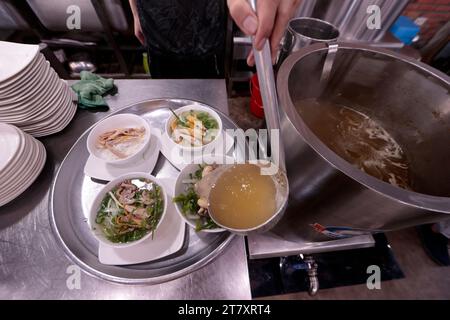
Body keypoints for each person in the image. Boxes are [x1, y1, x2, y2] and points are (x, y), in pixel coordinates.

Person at [129, 0, 300, 78]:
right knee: (166, 102)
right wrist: (135, 11)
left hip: (206, 37)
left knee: (208, 110)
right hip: (156, 28)